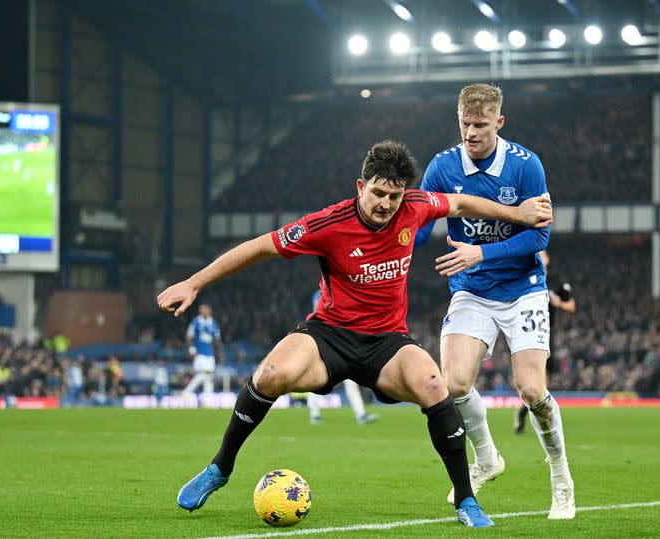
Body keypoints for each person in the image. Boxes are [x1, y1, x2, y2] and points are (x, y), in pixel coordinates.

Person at [157, 140, 552, 527]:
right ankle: (220, 467)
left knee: (435, 384)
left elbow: (461, 203)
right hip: (329, 335)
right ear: (361, 187)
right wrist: (194, 283)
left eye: (394, 197)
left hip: (387, 342)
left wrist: (517, 214)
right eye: (378, 193)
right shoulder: (328, 224)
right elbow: (260, 246)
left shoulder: (416, 206)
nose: (386, 204)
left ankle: (466, 499)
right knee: (269, 375)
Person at [414, 83, 576, 519]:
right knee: (455, 384)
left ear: (499, 123)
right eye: (465, 124)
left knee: (531, 390)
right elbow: (423, 226)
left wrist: (480, 251)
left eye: (481, 125)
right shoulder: (442, 167)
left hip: (523, 287)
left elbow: (539, 234)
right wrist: (397, 244)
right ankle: (486, 458)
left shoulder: (526, 166)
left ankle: (560, 476)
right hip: (470, 289)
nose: (471, 132)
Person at [515, 250, 575, 434]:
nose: (540, 256)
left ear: (548, 259)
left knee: (541, 382)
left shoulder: (556, 281)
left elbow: (572, 305)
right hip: (525, 332)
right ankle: (527, 415)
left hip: (547, 334)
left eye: (543, 254)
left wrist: (559, 304)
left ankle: (525, 413)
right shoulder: (524, 277)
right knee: (532, 380)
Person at [307, 289, 379, 425]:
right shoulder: (320, 294)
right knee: (317, 378)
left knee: (351, 380)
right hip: (326, 340)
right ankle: (315, 414)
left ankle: (361, 415)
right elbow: (321, 315)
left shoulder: (342, 289)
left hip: (343, 340)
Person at [182, 304, 223, 404]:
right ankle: (187, 392)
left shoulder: (213, 323)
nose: (203, 311)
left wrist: (220, 352)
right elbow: (189, 336)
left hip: (210, 354)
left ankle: (208, 401)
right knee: (204, 373)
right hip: (199, 353)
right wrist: (192, 350)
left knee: (208, 377)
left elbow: (217, 339)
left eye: (205, 309)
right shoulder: (196, 322)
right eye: (201, 310)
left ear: (209, 310)